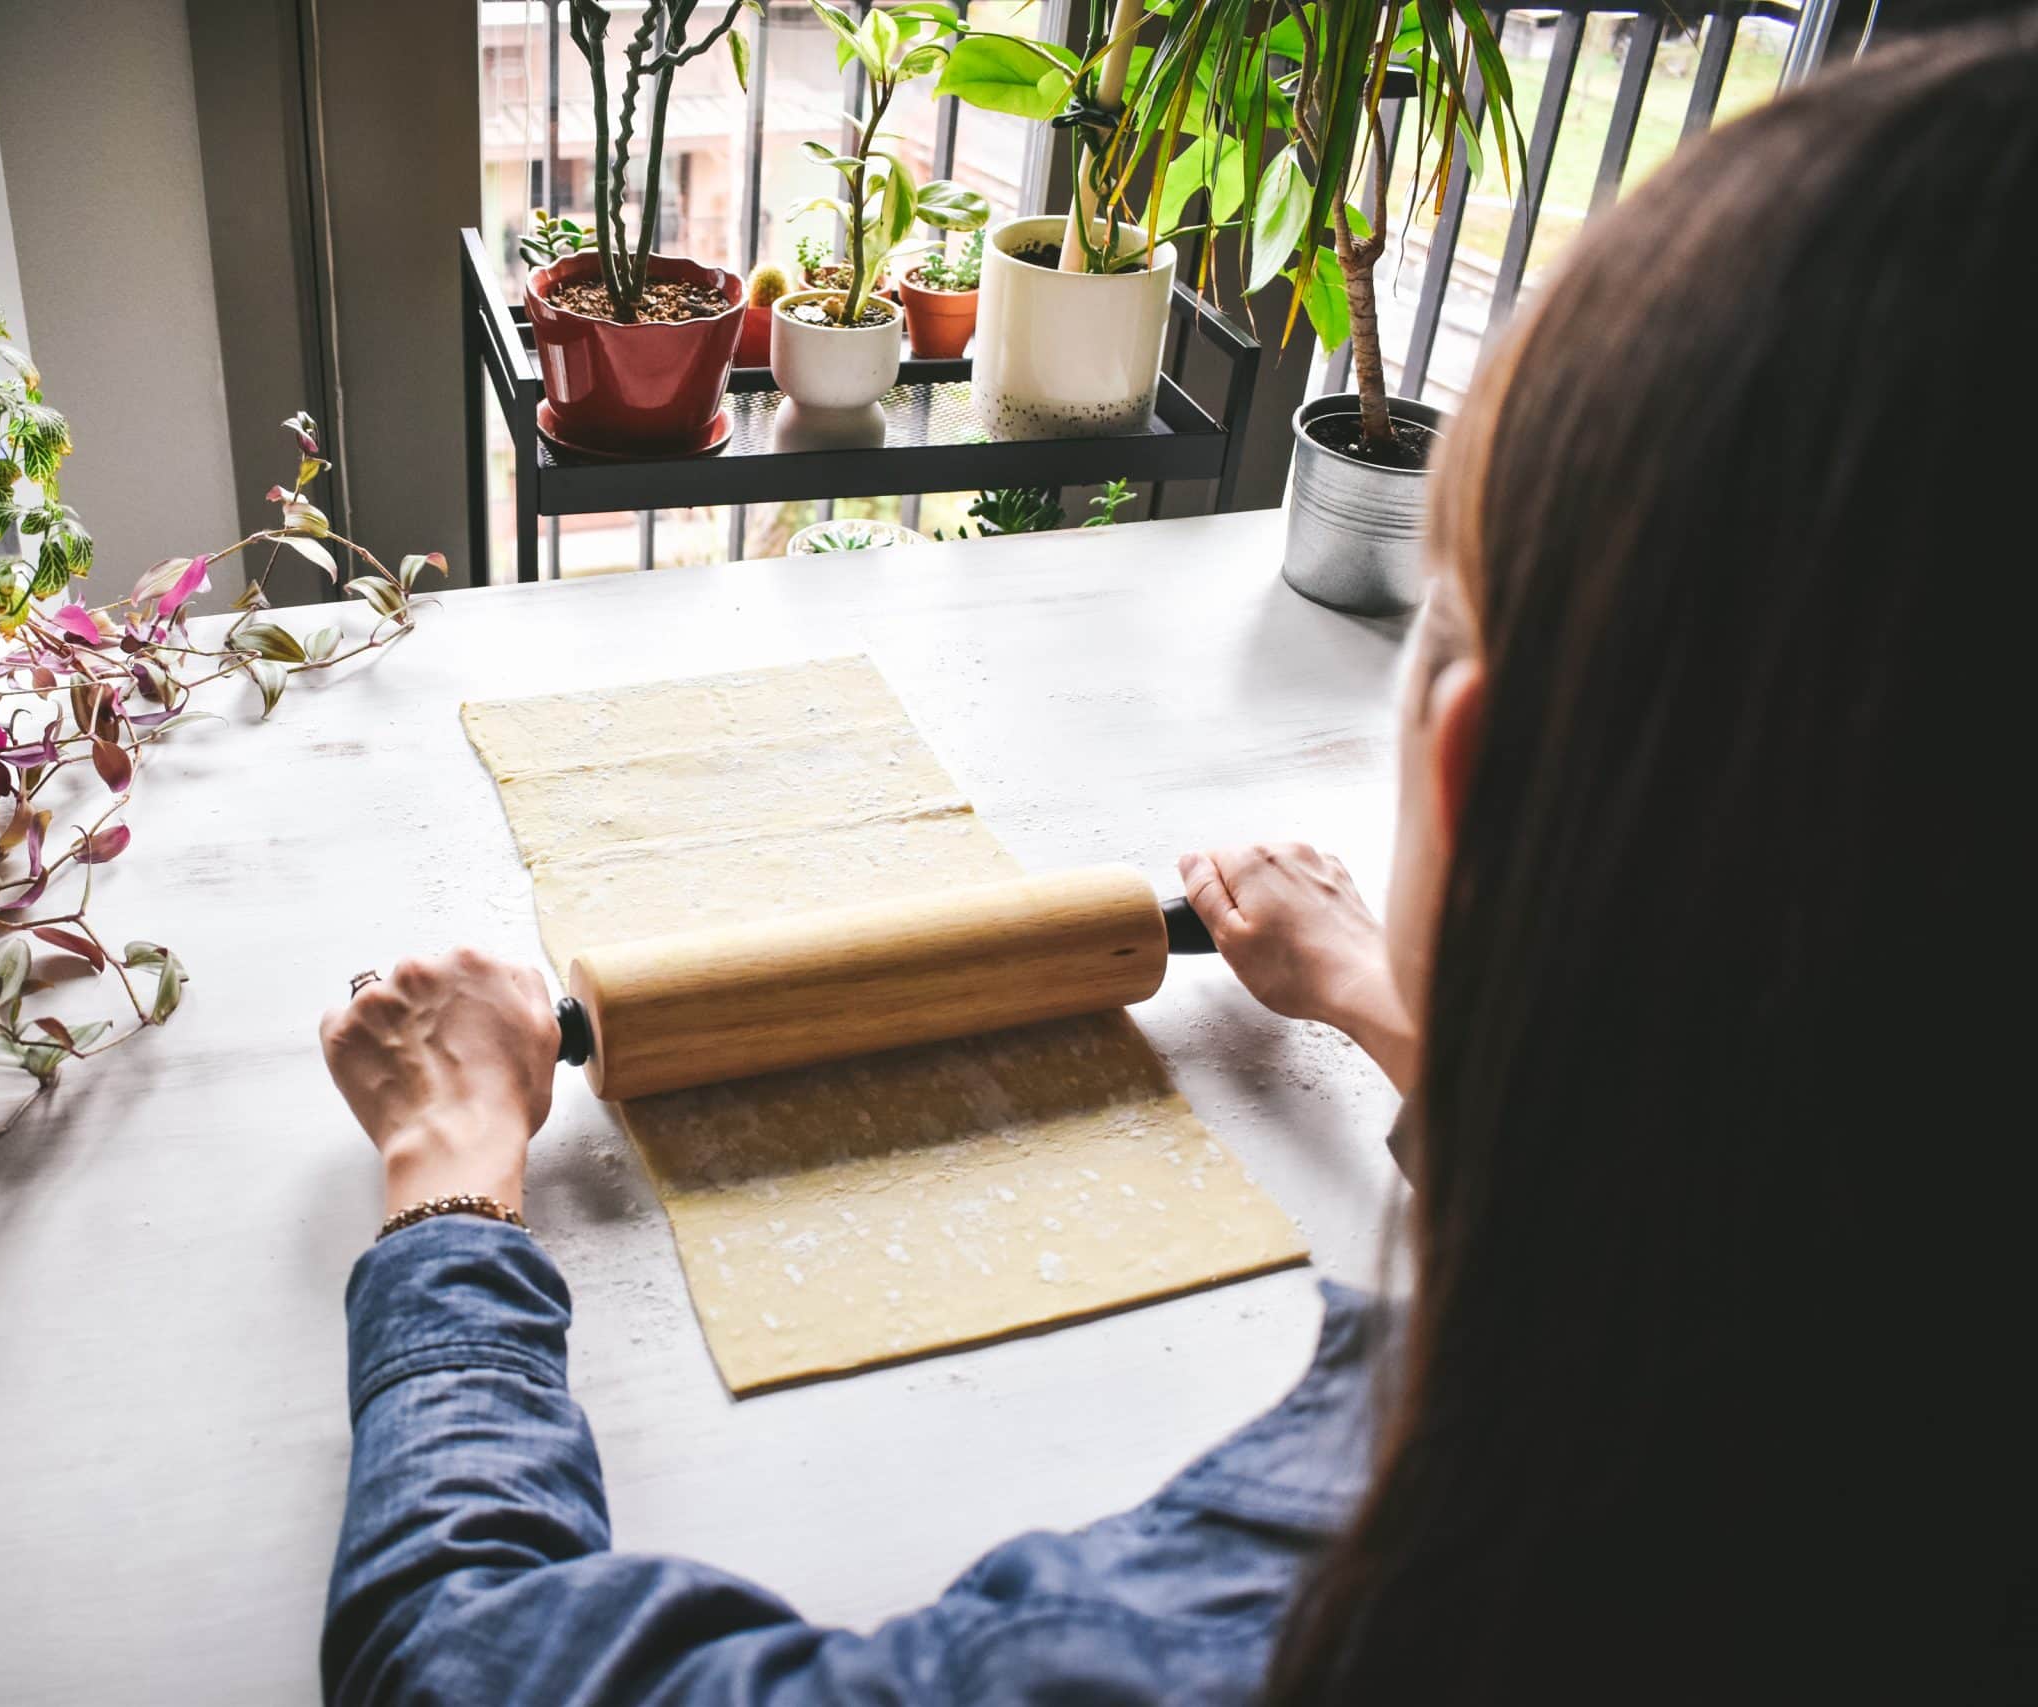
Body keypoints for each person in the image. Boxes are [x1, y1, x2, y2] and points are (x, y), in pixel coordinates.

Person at [314, 17, 2031, 1704]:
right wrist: (1399, 1003)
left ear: (1476, 769)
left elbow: (472, 1666)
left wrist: (453, 1180)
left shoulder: (1284, 1620)